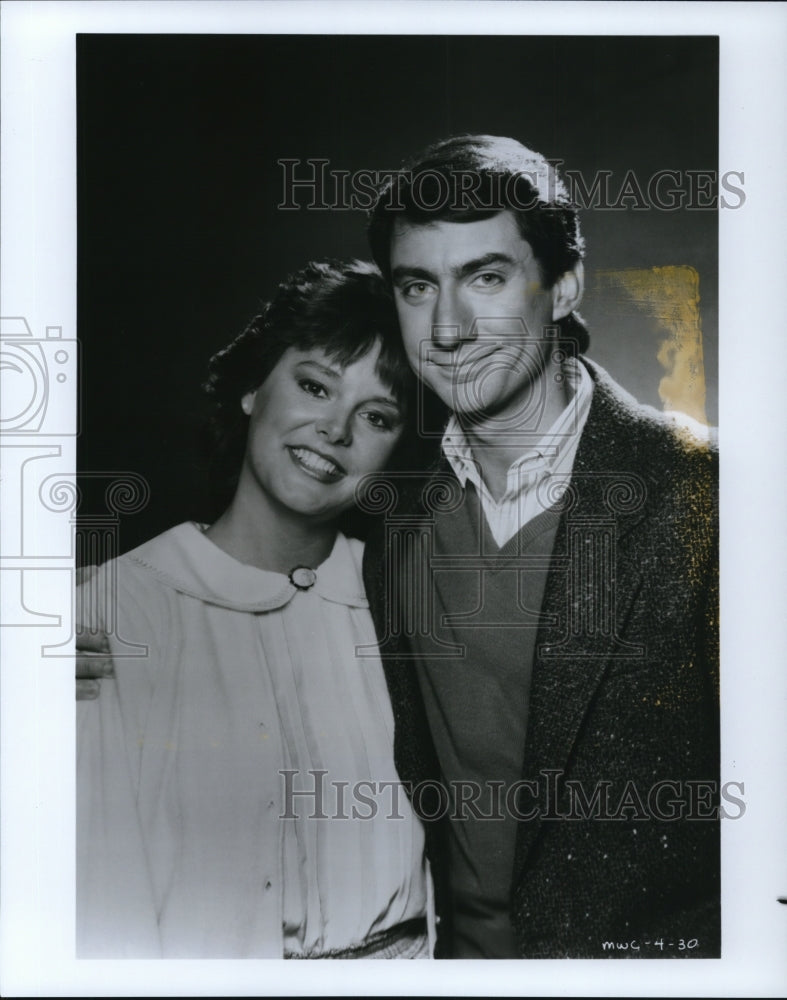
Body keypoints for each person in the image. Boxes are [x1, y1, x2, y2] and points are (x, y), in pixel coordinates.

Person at [360, 134, 720, 958]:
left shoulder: (711, 494)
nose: (447, 329)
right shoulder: (394, 507)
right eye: (418, 286)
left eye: (485, 278)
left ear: (562, 287)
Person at [75, 259, 431, 959]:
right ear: (251, 389)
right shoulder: (112, 613)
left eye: (376, 416)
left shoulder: (409, 601)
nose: (335, 429)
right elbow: (97, 908)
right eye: (313, 385)